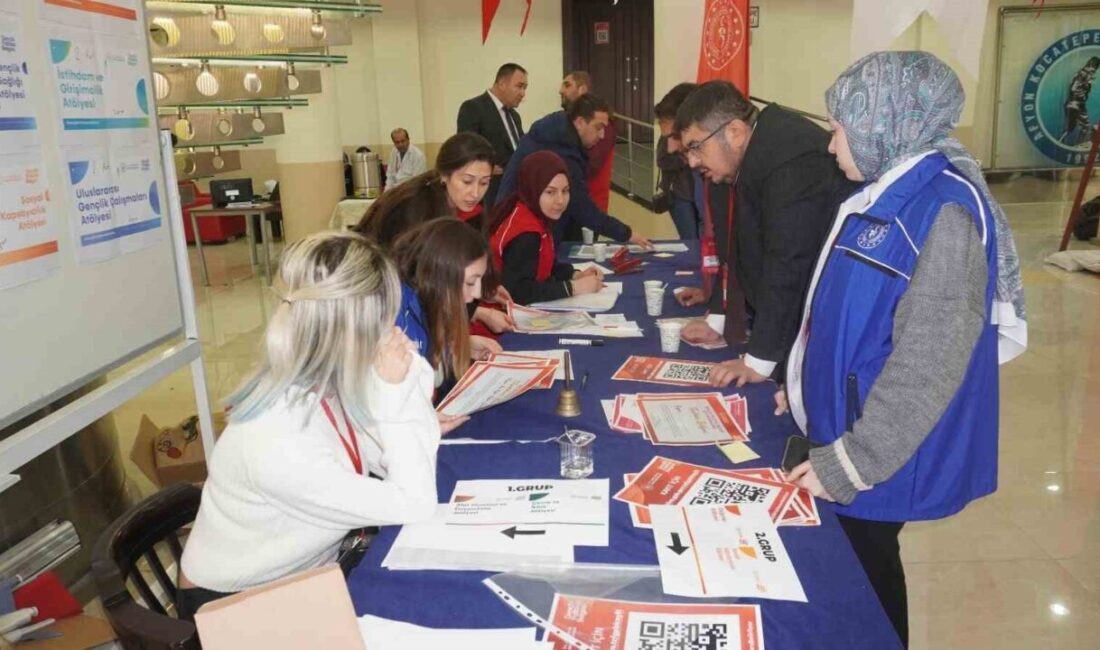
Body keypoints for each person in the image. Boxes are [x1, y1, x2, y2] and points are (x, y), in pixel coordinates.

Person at [783, 52, 1027, 648]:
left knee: (867, 581)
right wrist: (798, 384)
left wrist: (854, 460)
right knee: (856, 568)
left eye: (840, 125)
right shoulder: (891, 190)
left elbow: (928, 362)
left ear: (883, 120)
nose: (832, 142)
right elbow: (845, 314)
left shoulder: (942, 209)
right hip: (848, 425)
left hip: (878, 448)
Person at [177, 231, 440, 620]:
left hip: (308, 575)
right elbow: (415, 502)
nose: (394, 331)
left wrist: (407, 383)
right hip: (239, 607)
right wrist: (395, 394)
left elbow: (402, 463)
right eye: (385, 319)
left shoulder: (321, 383)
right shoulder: (277, 438)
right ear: (351, 330)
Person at [672, 81, 853, 387]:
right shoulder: (734, 163)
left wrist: (759, 362)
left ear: (735, 132)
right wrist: (718, 317)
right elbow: (733, 246)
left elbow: (788, 265)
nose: (691, 161)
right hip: (782, 320)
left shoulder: (792, 160)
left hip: (821, 331)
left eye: (695, 146)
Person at [498, 93, 651, 249]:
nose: (602, 135)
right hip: (524, 234)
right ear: (579, 122)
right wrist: (627, 234)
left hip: (515, 223)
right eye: (598, 128)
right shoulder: (563, 152)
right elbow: (581, 207)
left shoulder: (556, 131)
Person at [392, 219, 503, 405]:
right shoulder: (397, 316)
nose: (476, 294)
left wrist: (457, 350)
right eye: (470, 283)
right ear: (441, 273)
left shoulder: (434, 299)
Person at [488, 151, 604, 305]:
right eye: (550, 192)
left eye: (565, 191)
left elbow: (542, 263)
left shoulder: (531, 211)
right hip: (501, 317)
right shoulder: (525, 234)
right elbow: (518, 292)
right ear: (533, 188)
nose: (560, 200)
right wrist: (573, 288)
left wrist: (574, 275)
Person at [356, 132, 495, 246]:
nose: (476, 193)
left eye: (484, 183)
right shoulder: (414, 209)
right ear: (444, 175)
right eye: (467, 181)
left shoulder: (475, 212)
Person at [457, 63, 528, 207]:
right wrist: (487, 166)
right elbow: (466, 150)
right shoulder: (473, 108)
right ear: (502, 83)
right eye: (519, 86)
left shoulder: (515, 116)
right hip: (488, 196)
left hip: (515, 194)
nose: (523, 93)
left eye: (525, 88)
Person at [560, 70, 618, 216]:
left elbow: (590, 165)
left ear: (582, 89)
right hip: (570, 204)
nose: (561, 90)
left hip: (590, 207)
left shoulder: (602, 125)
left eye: (567, 85)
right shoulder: (568, 121)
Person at [655, 83, 703, 239]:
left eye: (675, 137)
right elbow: (662, 159)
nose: (670, 148)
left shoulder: (716, 171)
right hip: (680, 194)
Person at [1058, 56, 1100, 145]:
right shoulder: (1084, 74)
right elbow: (1073, 88)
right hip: (1076, 105)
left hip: (1077, 105)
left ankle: (1064, 142)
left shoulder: (1085, 74)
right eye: (1094, 68)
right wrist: (1082, 91)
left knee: (1074, 128)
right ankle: (1080, 144)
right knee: (1084, 127)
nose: (1094, 71)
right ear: (1091, 65)